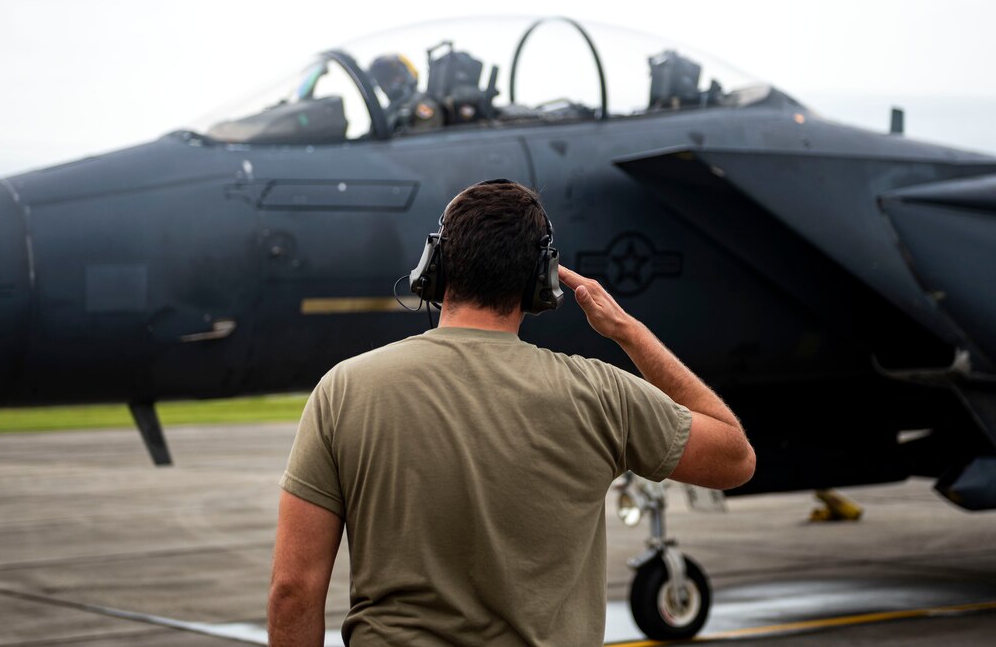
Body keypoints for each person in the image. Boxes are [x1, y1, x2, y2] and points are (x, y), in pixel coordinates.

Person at [268, 180, 755, 646]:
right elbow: (735, 458)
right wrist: (628, 330)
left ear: (434, 265)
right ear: (540, 281)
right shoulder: (602, 394)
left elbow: (294, 591)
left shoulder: (344, 389)